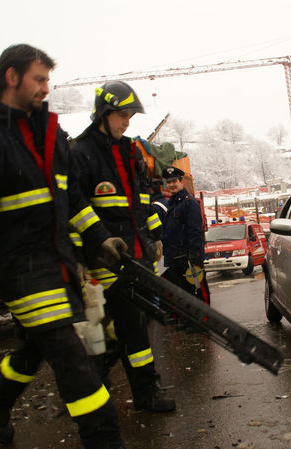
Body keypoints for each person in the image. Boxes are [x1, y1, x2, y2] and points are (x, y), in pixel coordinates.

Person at [0, 44, 127, 448]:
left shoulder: (48, 133)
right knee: (71, 357)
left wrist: (99, 238)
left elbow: (71, 198)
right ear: (11, 77)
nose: (47, 88)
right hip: (19, 268)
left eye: (47, 79)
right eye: (39, 79)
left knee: (38, 345)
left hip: (56, 262)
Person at [70, 80, 175, 413]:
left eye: (130, 115)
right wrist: (83, 253)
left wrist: (155, 236)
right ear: (103, 113)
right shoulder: (80, 153)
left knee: (132, 325)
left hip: (138, 251)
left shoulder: (132, 151)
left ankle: (98, 378)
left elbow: (145, 199)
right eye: (122, 115)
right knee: (132, 326)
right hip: (106, 258)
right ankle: (146, 393)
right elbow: (74, 207)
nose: (127, 122)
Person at [161, 166, 211, 305]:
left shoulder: (189, 203)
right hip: (176, 259)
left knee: (198, 291)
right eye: (168, 182)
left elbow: (195, 231)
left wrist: (195, 257)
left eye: (174, 181)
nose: (171, 185)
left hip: (187, 259)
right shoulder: (173, 203)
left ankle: (206, 322)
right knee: (184, 295)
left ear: (181, 181)